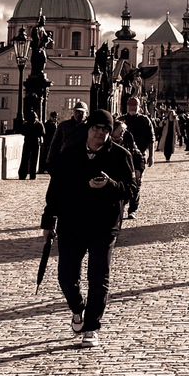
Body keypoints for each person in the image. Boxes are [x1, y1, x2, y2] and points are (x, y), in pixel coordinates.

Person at [42, 109, 138, 347]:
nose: (100, 133)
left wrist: (110, 185)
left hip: (104, 225)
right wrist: (48, 221)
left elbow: (131, 189)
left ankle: (92, 326)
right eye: (96, 128)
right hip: (72, 222)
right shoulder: (70, 154)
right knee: (66, 276)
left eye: (105, 129)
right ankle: (78, 307)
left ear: (110, 132)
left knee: (98, 277)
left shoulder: (120, 155)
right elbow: (56, 190)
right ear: (88, 129)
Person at [119, 95, 154, 216]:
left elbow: (151, 139)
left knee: (137, 181)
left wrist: (151, 156)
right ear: (127, 106)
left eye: (135, 105)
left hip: (139, 156)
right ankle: (122, 205)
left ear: (139, 107)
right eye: (130, 105)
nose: (132, 107)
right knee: (122, 181)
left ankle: (133, 209)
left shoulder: (145, 120)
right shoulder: (121, 120)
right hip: (122, 157)